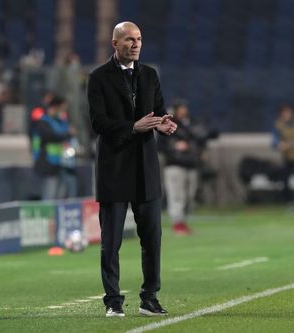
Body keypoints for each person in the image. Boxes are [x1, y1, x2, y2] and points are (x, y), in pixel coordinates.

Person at [87, 21, 177, 318]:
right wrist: (132, 127)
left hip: (145, 169)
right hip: (114, 168)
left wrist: (165, 124)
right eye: (129, 39)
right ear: (115, 44)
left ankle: (149, 298)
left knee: (152, 239)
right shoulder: (98, 78)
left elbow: (159, 111)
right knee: (110, 242)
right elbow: (98, 123)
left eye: (139, 39)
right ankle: (113, 301)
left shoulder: (150, 75)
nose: (136, 44)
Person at [158, 102, 201, 235]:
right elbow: (160, 146)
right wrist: (174, 147)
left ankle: (182, 222)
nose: (184, 111)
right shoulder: (168, 125)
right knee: (176, 195)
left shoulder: (189, 125)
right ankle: (177, 223)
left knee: (189, 196)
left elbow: (199, 141)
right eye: (181, 108)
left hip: (190, 164)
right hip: (174, 165)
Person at [32, 96, 75, 200]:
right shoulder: (43, 123)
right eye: (61, 109)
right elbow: (51, 136)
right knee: (49, 194)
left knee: (60, 193)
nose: (63, 112)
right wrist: (67, 134)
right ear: (54, 107)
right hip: (47, 163)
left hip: (60, 163)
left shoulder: (59, 122)